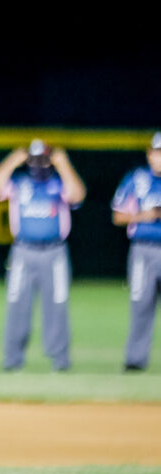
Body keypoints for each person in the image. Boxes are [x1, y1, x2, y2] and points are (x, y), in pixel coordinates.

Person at [0, 139, 86, 371]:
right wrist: (13, 159)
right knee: (17, 304)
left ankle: (60, 360)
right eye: (35, 159)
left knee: (58, 304)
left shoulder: (58, 184)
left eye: (43, 159)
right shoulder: (20, 184)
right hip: (23, 251)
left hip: (54, 252)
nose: (39, 164)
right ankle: (13, 360)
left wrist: (63, 163)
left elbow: (78, 195)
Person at [111, 131, 161, 372]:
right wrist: (147, 215)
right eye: (157, 152)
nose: (159, 157)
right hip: (144, 250)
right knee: (140, 303)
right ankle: (135, 361)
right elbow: (118, 215)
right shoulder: (137, 179)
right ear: (149, 154)